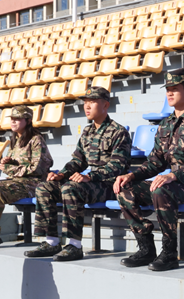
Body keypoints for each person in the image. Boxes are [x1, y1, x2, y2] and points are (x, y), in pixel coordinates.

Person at [113, 68, 184, 272]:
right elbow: (155, 162)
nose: (169, 93)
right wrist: (131, 175)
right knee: (125, 189)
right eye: (168, 89)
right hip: (172, 183)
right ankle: (146, 247)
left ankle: (169, 253)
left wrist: (172, 175)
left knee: (161, 190)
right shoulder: (165, 124)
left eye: (174, 89)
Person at [26, 86, 131, 262]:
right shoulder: (87, 132)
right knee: (45, 188)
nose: (87, 106)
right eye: (85, 102)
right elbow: (78, 161)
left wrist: (90, 176)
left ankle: (74, 245)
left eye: (92, 102)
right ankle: (51, 242)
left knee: (71, 189)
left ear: (105, 105)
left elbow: (117, 166)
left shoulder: (118, 132)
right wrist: (61, 174)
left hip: (108, 185)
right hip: (91, 183)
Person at [0, 106, 52, 249]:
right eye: (12, 119)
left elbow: (38, 168)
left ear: (28, 121)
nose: (13, 121)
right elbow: (18, 166)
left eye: (17, 119)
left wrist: (9, 168)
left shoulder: (36, 139)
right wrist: (8, 162)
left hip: (33, 183)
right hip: (17, 182)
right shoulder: (15, 140)